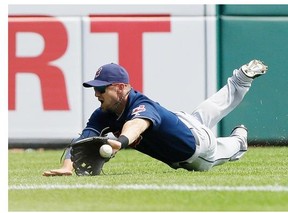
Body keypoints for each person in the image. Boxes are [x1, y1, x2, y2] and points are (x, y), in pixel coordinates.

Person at [43, 60, 268, 176]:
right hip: (183, 122)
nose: (96, 94)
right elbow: (83, 140)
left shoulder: (140, 104)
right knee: (206, 111)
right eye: (95, 88)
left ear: (121, 88)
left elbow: (136, 125)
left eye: (102, 89)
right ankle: (240, 80)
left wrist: (121, 141)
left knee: (227, 149)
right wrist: (67, 166)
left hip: (199, 150)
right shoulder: (103, 114)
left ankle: (240, 138)